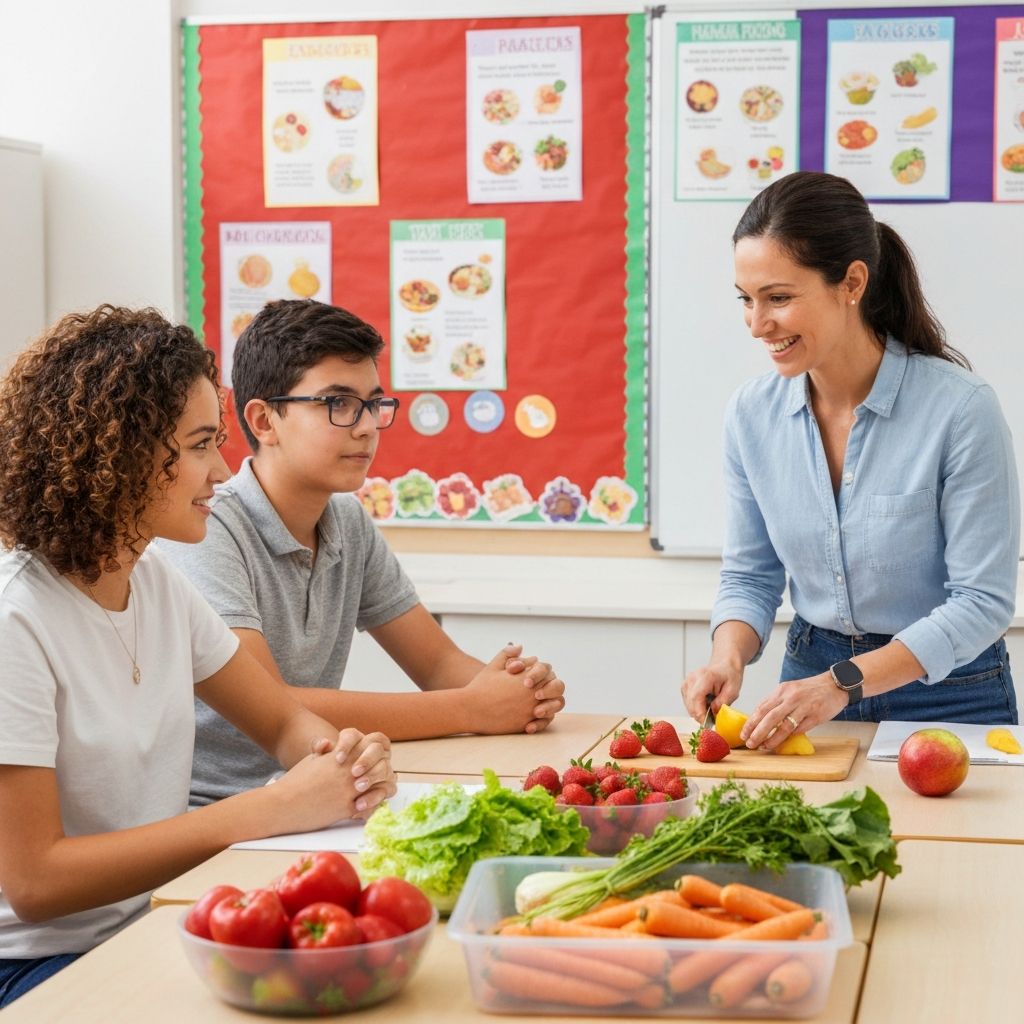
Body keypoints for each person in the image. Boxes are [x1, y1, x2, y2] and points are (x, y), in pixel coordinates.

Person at [0, 306, 396, 1006]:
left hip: (151, 922)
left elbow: (280, 723)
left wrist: (340, 759)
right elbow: (36, 884)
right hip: (37, 965)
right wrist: (268, 812)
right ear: (116, 453)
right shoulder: (16, 620)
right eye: (200, 444)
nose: (221, 469)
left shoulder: (154, 582)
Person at [158, 299, 565, 807]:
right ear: (264, 421)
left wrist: (520, 692)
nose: (367, 426)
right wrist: (472, 708)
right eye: (338, 403)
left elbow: (437, 662)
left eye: (374, 404)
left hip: (323, 794)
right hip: (220, 808)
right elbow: (275, 702)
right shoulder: (209, 524)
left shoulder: (346, 521)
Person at [682, 171, 1019, 749]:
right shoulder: (752, 415)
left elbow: (982, 602)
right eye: (746, 299)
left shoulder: (961, 410)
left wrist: (844, 683)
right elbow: (750, 575)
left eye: (779, 298)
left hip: (952, 691)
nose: (757, 324)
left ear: (852, 282)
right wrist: (726, 655)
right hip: (810, 682)